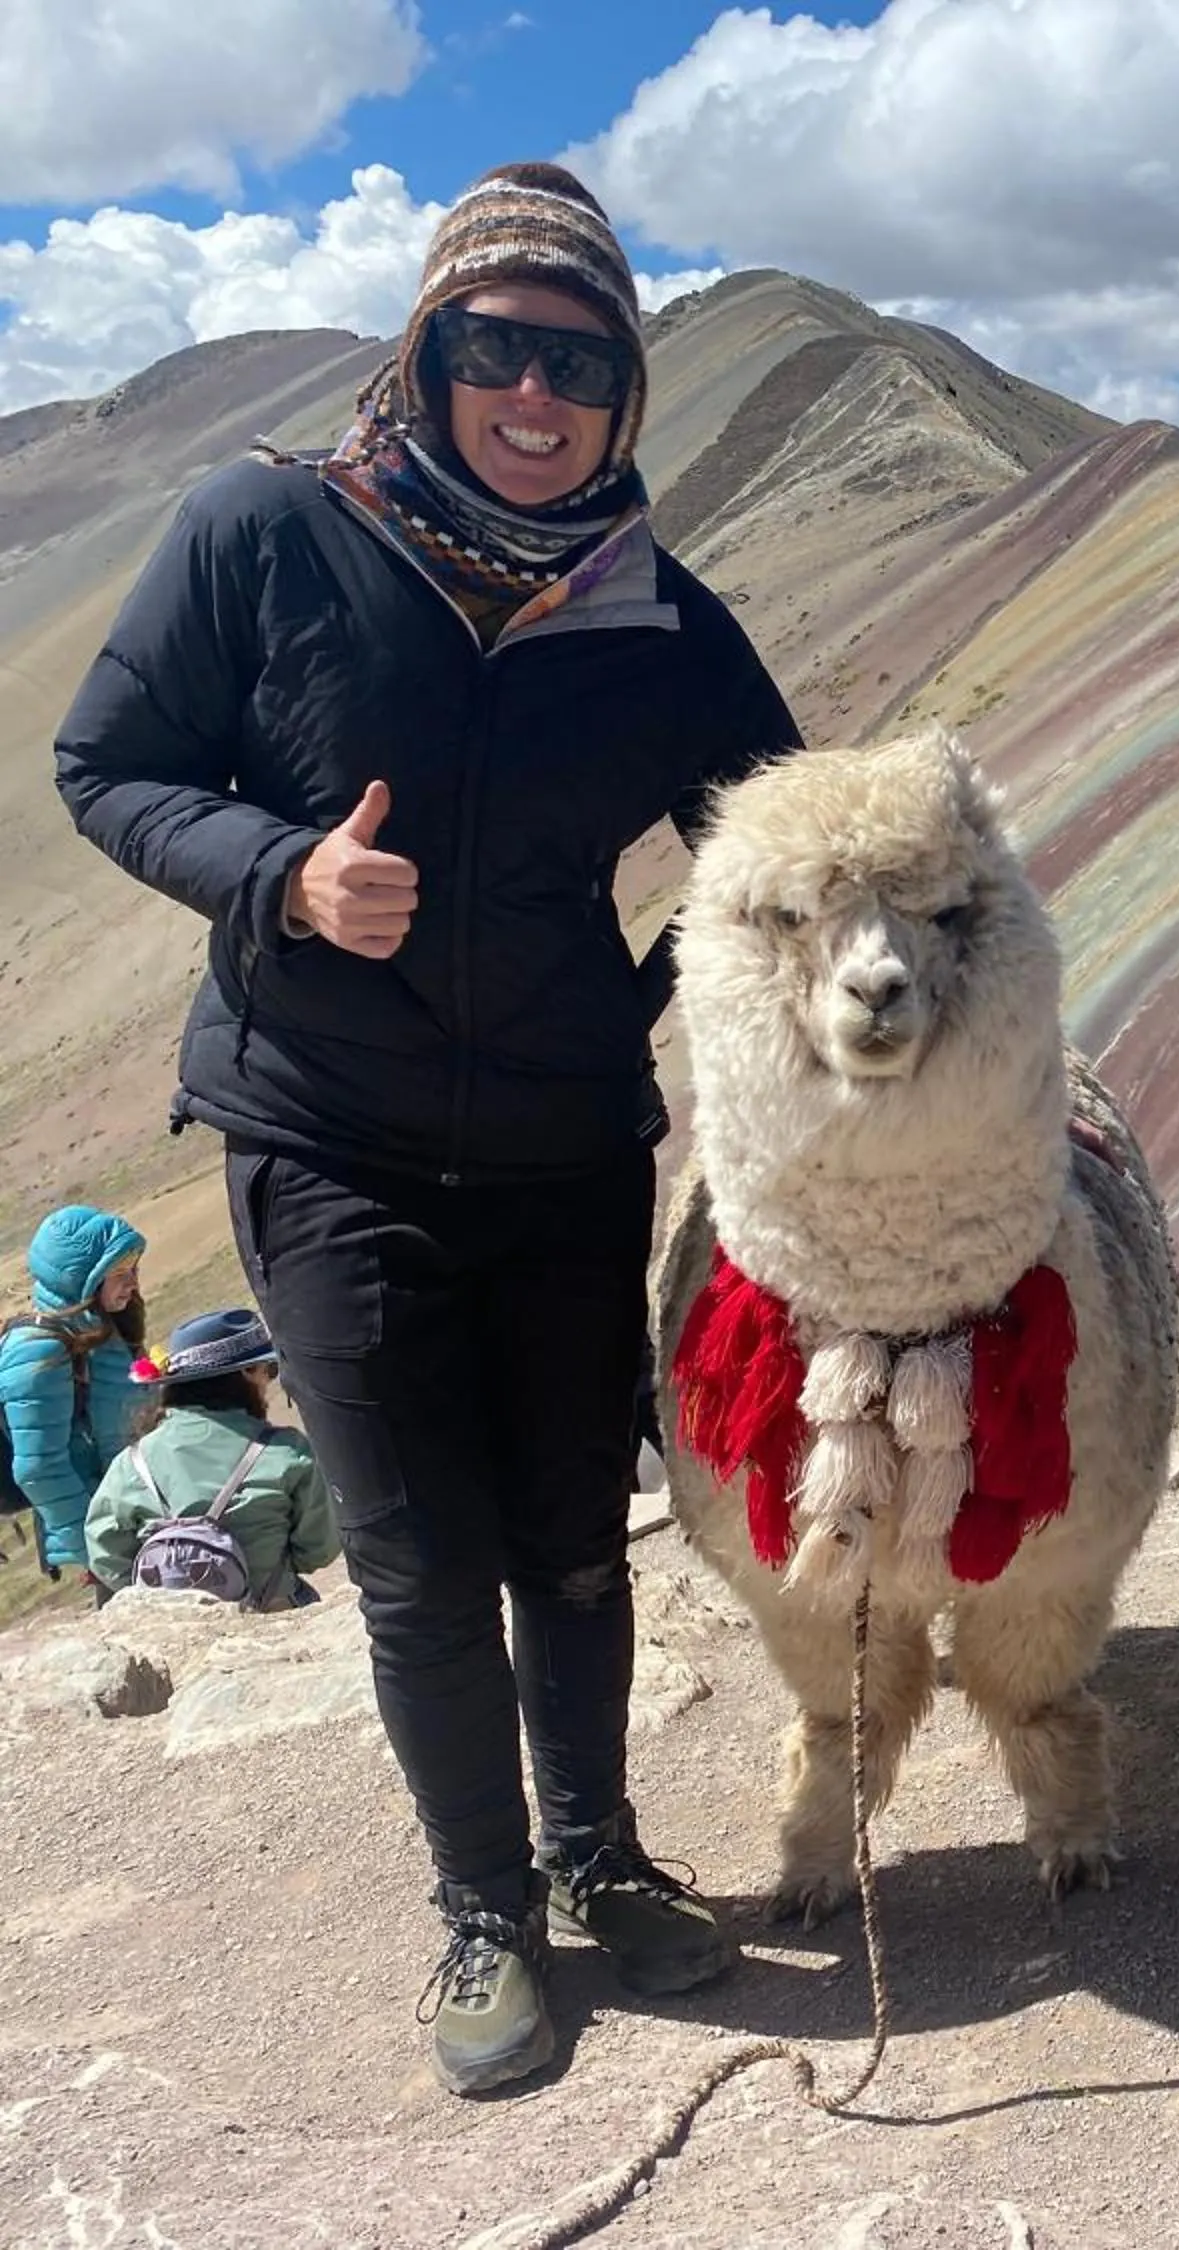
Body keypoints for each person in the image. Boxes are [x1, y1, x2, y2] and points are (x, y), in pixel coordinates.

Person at [54, 163, 800, 2096]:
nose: (534, 397)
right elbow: (108, 765)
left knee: (573, 1541)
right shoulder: (267, 530)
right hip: (325, 1140)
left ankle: (599, 1857)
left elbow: (789, 833)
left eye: (580, 364)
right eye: (496, 349)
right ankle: (484, 1907)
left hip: (563, 1145)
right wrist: (280, 873)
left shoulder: (660, 618)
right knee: (415, 1558)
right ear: (432, 345)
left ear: (627, 395)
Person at [85, 1309, 337, 1607]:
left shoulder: (132, 1462)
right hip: (272, 1607)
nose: (269, 1382)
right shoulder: (287, 1452)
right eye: (267, 1369)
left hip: (173, 1622)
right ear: (244, 1373)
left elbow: (104, 1550)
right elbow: (319, 1549)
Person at [2, 1207, 149, 1584]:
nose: (132, 1283)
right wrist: (101, 1551)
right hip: (111, 1535)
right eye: (118, 1274)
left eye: (134, 1269)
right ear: (80, 1279)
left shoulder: (103, 1329)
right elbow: (39, 1468)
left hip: (137, 1519)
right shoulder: (38, 1350)